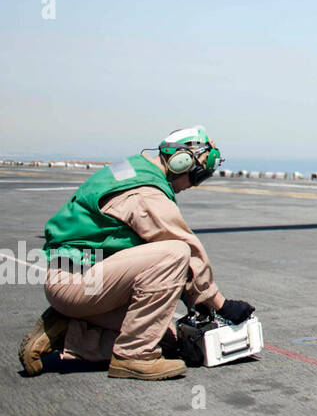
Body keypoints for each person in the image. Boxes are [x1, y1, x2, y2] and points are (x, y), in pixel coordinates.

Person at [19, 127, 256, 381]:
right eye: (196, 176)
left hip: (86, 279)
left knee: (168, 339)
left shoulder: (134, 170)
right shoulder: (145, 192)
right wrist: (220, 304)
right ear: (181, 161)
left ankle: (63, 332)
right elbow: (184, 246)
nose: (192, 185)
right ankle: (135, 356)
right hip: (79, 283)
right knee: (176, 252)